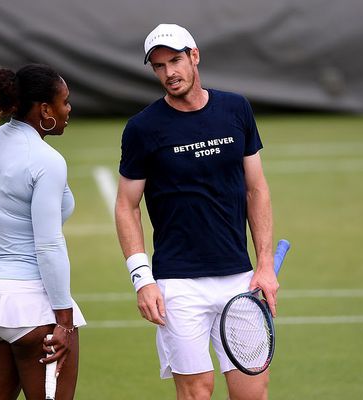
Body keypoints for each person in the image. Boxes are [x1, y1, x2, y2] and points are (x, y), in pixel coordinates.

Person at [115, 24, 278, 400]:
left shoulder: (236, 109)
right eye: (158, 66)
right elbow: (126, 205)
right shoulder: (142, 128)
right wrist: (142, 279)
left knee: (253, 392)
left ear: (194, 55)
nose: (169, 72)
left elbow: (257, 188)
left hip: (240, 279)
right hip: (177, 285)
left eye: (175, 60)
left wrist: (265, 265)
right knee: (196, 392)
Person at [0, 64, 85, 400]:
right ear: (44, 110)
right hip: (29, 308)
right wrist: (64, 323)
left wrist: (6, 225)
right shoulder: (47, 160)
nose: (69, 109)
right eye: (64, 102)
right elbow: (49, 245)